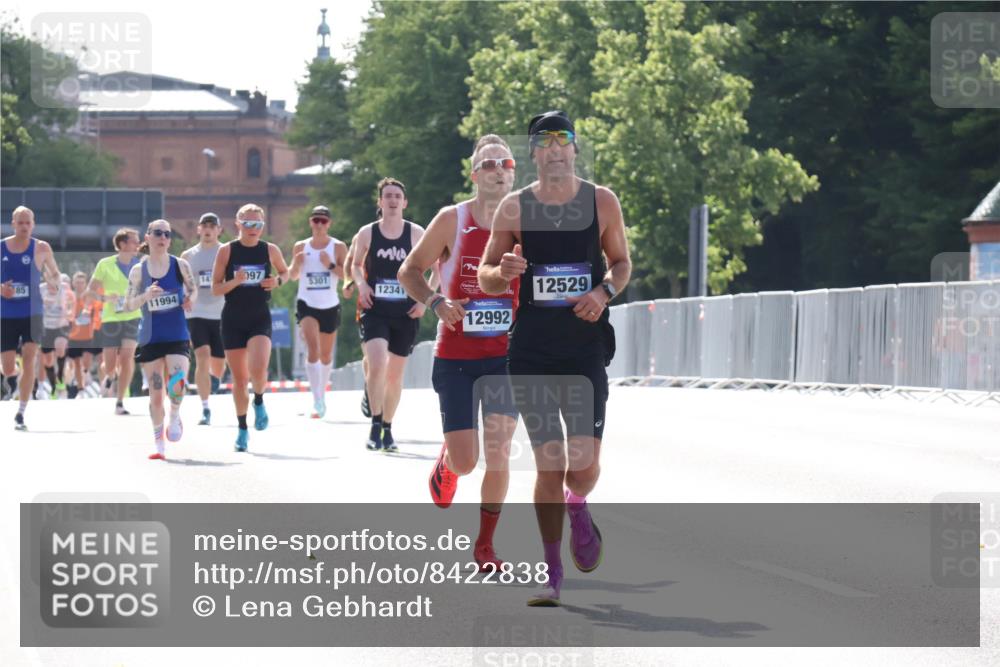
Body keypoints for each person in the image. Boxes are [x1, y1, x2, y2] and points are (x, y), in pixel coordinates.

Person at [478, 110, 632, 606]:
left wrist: (604, 291)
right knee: (550, 462)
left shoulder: (601, 201)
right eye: (543, 141)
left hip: (584, 348)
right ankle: (552, 573)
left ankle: (578, 503)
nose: (554, 148)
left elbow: (622, 262)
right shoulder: (514, 208)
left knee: (581, 467)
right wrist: (503, 271)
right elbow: (484, 276)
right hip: (532, 352)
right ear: (534, 152)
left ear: (574, 146)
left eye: (562, 138)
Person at [399, 134, 519, 571]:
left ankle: (485, 546)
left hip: (507, 356)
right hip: (456, 357)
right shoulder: (453, 219)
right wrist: (435, 302)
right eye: (487, 164)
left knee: (501, 450)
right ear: (474, 174)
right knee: (469, 462)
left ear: (513, 172)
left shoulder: (530, 221)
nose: (496, 169)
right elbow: (408, 270)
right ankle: (449, 463)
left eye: (503, 162)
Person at [351, 178, 429, 453]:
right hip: (375, 310)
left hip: (406, 313)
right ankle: (374, 424)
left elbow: (438, 267)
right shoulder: (368, 233)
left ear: (405, 202)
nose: (393, 200)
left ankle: (387, 427)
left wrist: (425, 300)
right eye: (388, 196)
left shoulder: (416, 233)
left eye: (397, 196)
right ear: (380, 202)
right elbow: (355, 265)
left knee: (394, 377)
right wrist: (361, 284)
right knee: (376, 362)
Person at [211, 203, 289, 452]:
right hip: (233, 319)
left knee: (258, 369)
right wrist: (235, 281)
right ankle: (242, 429)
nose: (253, 229)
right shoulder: (226, 251)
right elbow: (215, 288)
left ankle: (259, 401)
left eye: (257, 224)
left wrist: (276, 281)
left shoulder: (269, 250)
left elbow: (286, 273)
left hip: (259, 317)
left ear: (262, 226)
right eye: (248, 224)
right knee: (240, 378)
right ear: (238, 223)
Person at [125, 220, 197, 460]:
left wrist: (190, 299)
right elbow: (128, 305)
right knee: (156, 394)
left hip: (177, 334)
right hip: (151, 338)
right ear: (147, 237)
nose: (163, 237)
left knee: (177, 384)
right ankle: (159, 444)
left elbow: (193, 289)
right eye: (158, 233)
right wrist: (147, 295)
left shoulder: (180, 265)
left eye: (167, 234)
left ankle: (175, 414)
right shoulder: (139, 270)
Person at [1, 206, 60, 429]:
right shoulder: (1, 248)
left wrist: (54, 283)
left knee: (29, 359)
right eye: (20, 222)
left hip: (33, 313)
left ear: (33, 224)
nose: (24, 226)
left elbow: (54, 273)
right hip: (5, 314)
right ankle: (13, 379)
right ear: (13, 224)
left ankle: (21, 411)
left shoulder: (42, 248)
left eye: (28, 222)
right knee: (7, 368)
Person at [289, 205, 347, 418]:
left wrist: (330, 265)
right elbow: (293, 275)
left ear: (329, 224)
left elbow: (347, 275)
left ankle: (322, 394)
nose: (319, 225)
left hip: (330, 304)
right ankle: (317, 400)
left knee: (325, 354)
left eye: (323, 221)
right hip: (307, 303)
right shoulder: (301, 247)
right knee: (312, 349)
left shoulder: (338, 247)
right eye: (316, 220)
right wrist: (296, 263)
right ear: (310, 223)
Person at [87, 228, 143, 414]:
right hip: (110, 318)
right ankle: (110, 375)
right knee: (110, 363)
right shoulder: (105, 264)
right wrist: (104, 299)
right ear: (122, 244)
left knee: (127, 358)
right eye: (134, 241)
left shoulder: (141, 264)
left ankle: (120, 401)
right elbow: (90, 291)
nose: (138, 244)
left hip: (133, 317)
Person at [181, 212, 227, 425]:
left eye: (212, 226)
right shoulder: (188, 256)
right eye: (204, 225)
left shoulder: (226, 252)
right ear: (199, 229)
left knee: (218, 365)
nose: (208, 229)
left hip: (222, 313)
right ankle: (205, 407)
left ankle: (215, 378)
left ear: (219, 230)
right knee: (202, 355)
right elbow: (181, 284)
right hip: (197, 312)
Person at [343, 232, 371, 418]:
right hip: (368, 301)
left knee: (389, 358)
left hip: (398, 304)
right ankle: (371, 389)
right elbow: (349, 262)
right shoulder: (364, 235)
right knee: (370, 354)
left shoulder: (406, 233)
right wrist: (349, 282)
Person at [66, 271, 102, 398]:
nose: (80, 284)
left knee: (86, 362)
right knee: (76, 363)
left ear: (85, 283)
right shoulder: (70, 298)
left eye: (82, 282)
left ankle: (84, 376)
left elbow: (98, 311)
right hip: (73, 337)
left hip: (88, 336)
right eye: (77, 282)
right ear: (73, 283)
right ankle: (80, 389)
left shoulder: (90, 298)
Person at [39, 273, 75, 397]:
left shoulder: (64, 288)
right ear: (45, 277)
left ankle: (60, 374)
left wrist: (69, 313)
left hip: (61, 325)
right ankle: (53, 385)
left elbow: (72, 301)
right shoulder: (41, 289)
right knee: (48, 361)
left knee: (60, 348)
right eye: (49, 277)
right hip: (45, 326)